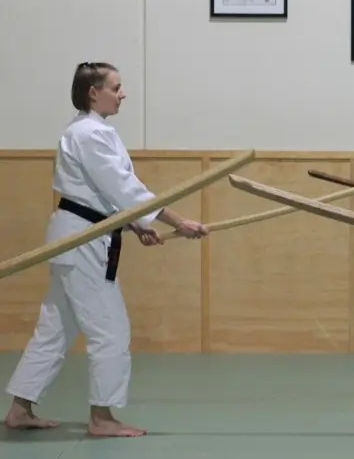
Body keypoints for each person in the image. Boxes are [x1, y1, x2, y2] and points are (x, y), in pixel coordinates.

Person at [3, 62, 209, 438]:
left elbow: (104, 194)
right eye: (116, 87)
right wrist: (176, 221)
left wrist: (135, 223)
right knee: (110, 329)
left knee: (56, 328)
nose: (123, 93)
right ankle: (102, 418)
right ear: (92, 92)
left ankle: (20, 409)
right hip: (81, 239)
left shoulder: (93, 132)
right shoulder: (88, 134)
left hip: (83, 232)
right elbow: (123, 187)